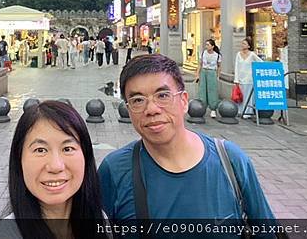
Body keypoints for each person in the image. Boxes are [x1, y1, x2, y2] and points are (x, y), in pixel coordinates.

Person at [98, 54, 276, 231]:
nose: (151, 109)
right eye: (138, 100)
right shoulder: (114, 170)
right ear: (128, 109)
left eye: (163, 95)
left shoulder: (230, 161)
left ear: (184, 101)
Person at [0, 101, 110, 239]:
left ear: (85, 156)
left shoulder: (99, 222)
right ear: (19, 160)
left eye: (67, 148)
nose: (56, 166)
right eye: (40, 150)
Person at [234, 38, 263, 118]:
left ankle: (247, 112)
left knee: (248, 96)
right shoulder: (238, 54)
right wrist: (236, 79)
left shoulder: (252, 54)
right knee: (240, 96)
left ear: (249, 46)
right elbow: (236, 67)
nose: (242, 45)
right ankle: (240, 111)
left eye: (244, 44)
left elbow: (260, 62)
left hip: (249, 79)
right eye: (242, 43)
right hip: (240, 78)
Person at [196, 38, 222, 118]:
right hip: (204, 72)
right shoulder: (203, 53)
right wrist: (197, 74)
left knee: (212, 90)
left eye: (208, 45)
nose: (206, 46)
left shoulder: (217, 55)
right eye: (206, 44)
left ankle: (213, 109)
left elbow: (219, 66)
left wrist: (218, 76)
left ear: (212, 46)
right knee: (202, 90)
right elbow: (200, 64)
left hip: (212, 72)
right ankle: (202, 107)